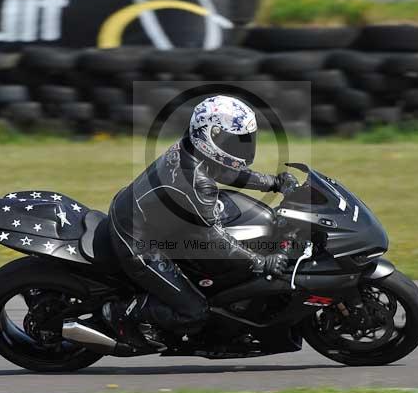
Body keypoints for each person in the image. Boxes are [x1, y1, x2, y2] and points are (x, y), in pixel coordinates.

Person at [104, 95, 299, 350]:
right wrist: (260, 262)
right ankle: (120, 313)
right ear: (211, 136)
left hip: (147, 216)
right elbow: (214, 239)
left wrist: (273, 183)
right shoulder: (196, 181)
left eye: (245, 139)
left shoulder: (194, 148)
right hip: (137, 241)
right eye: (235, 140)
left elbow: (227, 171)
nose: (243, 147)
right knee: (194, 312)